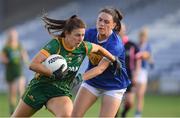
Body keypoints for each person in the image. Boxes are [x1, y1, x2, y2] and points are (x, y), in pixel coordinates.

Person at [11, 15, 121, 117]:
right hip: (39, 88)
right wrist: (52, 73)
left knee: (67, 116)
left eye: (83, 35)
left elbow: (99, 48)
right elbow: (33, 65)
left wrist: (113, 59)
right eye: (77, 35)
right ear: (67, 33)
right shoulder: (56, 45)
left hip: (60, 91)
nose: (81, 39)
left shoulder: (83, 47)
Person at [72, 8, 131, 117]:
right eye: (100, 20)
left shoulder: (115, 44)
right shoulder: (89, 34)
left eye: (106, 22)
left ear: (114, 25)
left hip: (114, 85)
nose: (102, 24)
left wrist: (79, 78)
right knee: (74, 116)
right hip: (93, 81)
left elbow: (100, 68)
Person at [0, 29, 29, 115]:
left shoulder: (19, 46)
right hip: (10, 71)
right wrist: (8, 60)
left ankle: (22, 110)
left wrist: (26, 61)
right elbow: (2, 58)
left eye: (14, 35)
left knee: (21, 89)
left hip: (18, 70)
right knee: (12, 93)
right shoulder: (6, 48)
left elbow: (24, 56)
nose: (13, 37)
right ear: (9, 37)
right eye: (12, 35)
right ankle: (12, 110)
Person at [116, 23, 140, 117]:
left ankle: (124, 114)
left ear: (125, 30)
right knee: (115, 103)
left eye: (122, 29)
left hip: (129, 76)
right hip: (116, 76)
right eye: (118, 29)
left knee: (129, 102)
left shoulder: (132, 45)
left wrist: (136, 74)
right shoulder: (113, 44)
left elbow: (138, 60)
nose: (120, 30)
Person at [134, 27, 153, 118]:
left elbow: (148, 55)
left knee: (140, 94)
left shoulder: (147, 46)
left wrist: (142, 55)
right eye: (141, 36)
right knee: (133, 92)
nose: (142, 38)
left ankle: (138, 113)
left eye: (144, 36)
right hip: (135, 71)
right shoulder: (136, 45)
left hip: (143, 71)